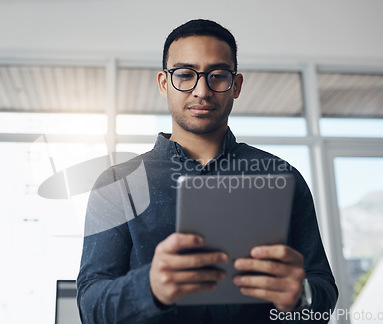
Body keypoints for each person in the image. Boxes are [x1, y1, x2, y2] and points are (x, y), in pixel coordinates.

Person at [77, 19, 338, 323]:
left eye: (218, 76)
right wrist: (149, 287)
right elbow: (90, 308)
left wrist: (302, 294)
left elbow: (323, 296)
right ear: (164, 83)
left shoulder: (283, 177)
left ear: (236, 85)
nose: (202, 90)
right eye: (185, 74)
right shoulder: (117, 184)